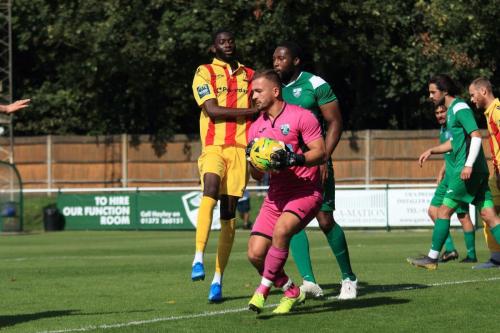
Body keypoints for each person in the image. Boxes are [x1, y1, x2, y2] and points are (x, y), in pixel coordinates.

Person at [272, 42, 357, 299]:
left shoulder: (316, 84)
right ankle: (309, 282)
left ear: (296, 61)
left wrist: (323, 158)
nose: (276, 62)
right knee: (291, 223)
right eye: (274, 58)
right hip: (288, 167)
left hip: (315, 162)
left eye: (282, 58)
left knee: (324, 220)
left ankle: (349, 278)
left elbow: (335, 122)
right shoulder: (273, 89)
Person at [246, 69, 325, 314]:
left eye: (258, 91)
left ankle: (263, 290)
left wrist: (294, 159)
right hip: (275, 196)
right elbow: (256, 176)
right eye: (252, 92)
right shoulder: (254, 129)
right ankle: (291, 290)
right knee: (255, 254)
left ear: (275, 91)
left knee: (281, 232)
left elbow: (320, 152)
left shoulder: (302, 117)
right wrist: (254, 161)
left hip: (305, 191)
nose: (254, 96)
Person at [190, 29, 258, 302]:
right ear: (213, 47)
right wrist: (251, 112)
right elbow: (213, 110)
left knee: (229, 214)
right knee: (210, 188)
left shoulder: (250, 75)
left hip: (240, 152)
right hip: (214, 148)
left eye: (231, 40)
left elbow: (265, 103)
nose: (228, 44)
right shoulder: (204, 72)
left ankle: (218, 279)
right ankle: (197, 258)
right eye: (222, 42)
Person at [408, 74, 500, 270]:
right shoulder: (452, 111)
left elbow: (476, 136)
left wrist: (467, 165)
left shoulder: (459, 107)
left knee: (443, 211)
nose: (431, 96)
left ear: (445, 91)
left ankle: (432, 258)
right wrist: (433, 150)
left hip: (466, 171)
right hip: (479, 171)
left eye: (433, 92)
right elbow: (456, 142)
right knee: (489, 215)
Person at [426, 105, 477, 263]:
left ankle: (471, 255)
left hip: (457, 176)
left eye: (443, 112)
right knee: (433, 210)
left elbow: (459, 150)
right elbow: (450, 154)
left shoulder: (455, 127)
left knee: (463, 216)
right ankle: (450, 249)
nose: (440, 115)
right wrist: (442, 170)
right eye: (437, 112)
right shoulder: (443, 130)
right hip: (447, 175)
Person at [468, 77, 500, 269]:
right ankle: (496, 257)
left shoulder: (497, 111)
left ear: (483, 92)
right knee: (488, 212)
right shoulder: (490, 113)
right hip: (496, 175)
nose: (472, 99)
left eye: (473, 95)